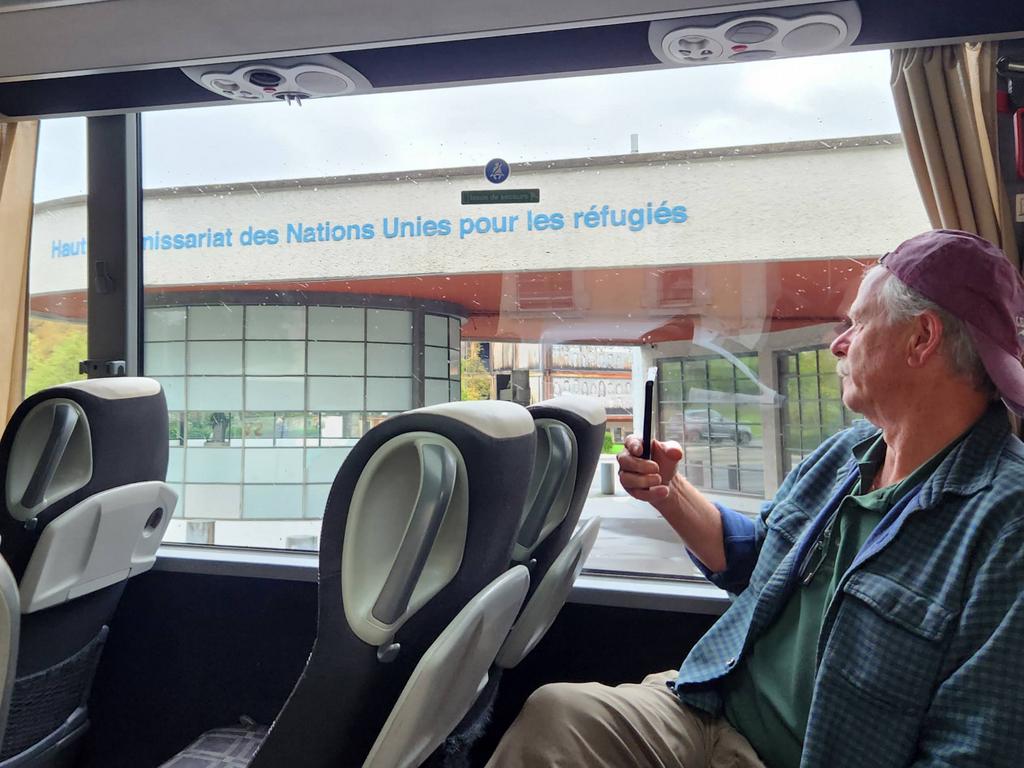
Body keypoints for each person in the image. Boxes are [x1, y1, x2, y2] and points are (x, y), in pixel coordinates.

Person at [484, 229, 1024, 768]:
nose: (838, 344)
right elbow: (755, 560)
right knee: (557, 716)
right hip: (710, 705)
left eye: (859, 324)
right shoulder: (846, 454)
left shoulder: (1007, 524)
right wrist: (669, 492)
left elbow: (973, 752)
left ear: (921, 338)